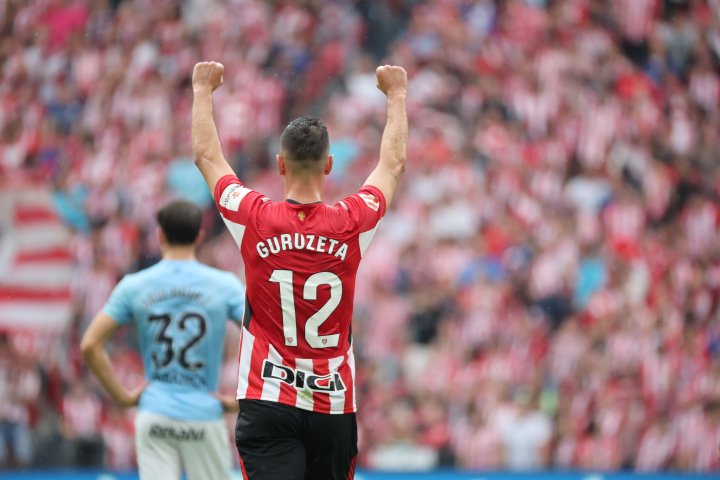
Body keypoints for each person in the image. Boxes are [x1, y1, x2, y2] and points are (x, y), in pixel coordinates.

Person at [191, 60, 407, 479]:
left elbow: (207, 157)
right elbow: (392, 166)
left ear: (280, 164)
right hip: (332, 401)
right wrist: (397, 97)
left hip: (267, 398)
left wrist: (202, 89)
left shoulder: (255, 218)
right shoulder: (350, 222)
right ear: (328, 166)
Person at [80, 199, 246, 480]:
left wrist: (122, 397)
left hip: (155, 414)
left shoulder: (134, 285)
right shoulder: (225, 286)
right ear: (199, 237)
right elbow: (268, 335)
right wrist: (242, 399)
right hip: (204, 414)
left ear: (159, 236)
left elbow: (90, 345)